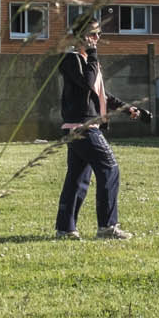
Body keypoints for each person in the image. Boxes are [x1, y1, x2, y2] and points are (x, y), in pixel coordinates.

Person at [55, 18, 147, 240]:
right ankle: (107, 227)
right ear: (82, 36)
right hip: (83, 127)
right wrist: (92, 53)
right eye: (93, 35)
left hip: (84, 126)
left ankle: (65, 229)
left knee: (77, 178)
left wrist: (127, 109)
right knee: (110, 169)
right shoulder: (72, 58)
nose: (97, 39)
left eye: (98, 35)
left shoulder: (86, 60)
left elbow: (100, 94)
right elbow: (87, 82)